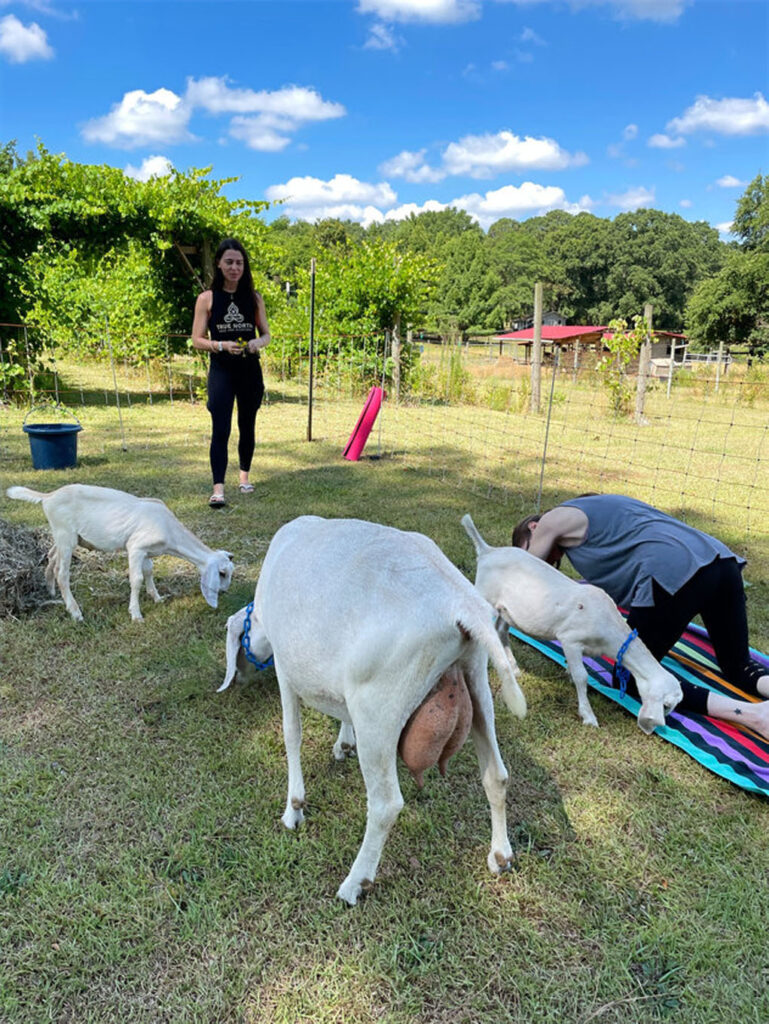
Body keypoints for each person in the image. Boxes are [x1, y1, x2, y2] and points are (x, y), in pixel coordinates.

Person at [512, 493, 769, 737]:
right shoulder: (601, 511)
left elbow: (525, 574)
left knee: (631, 677)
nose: (549, 562)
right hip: (720, 562)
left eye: (527, 548)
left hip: (674, 574)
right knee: (738, 665)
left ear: (533, 527)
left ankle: (755, 715)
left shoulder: (551, 520)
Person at [192, 238, 271, 507]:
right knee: (221, 428)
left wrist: (257, 343)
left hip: (249, 370)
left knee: (247, 424)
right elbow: (197, 339)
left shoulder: (254, 298)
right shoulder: (207, 299)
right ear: (219, 264)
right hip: (222, 371)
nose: (234, 268)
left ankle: (244, 478)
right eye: (229, 262)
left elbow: (266, 334)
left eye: (239, 263)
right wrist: (220, 345)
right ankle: (218, 488)